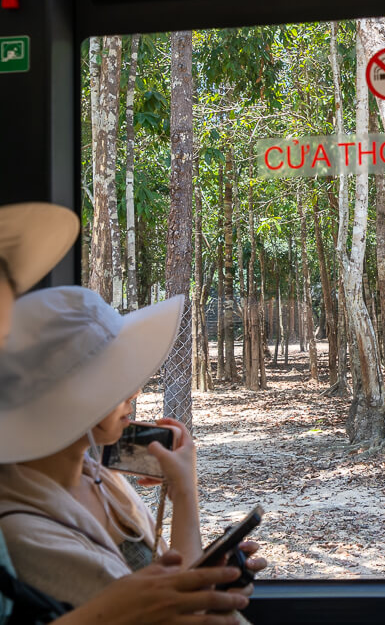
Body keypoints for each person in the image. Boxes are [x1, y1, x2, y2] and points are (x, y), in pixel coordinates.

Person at [0, 202, 251, 624]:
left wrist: (213, 572)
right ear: (72, 404)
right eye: (116, 383)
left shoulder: (93, 468)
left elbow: (166, 593)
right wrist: (185, 494)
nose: (133, 391)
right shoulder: (29, 531)